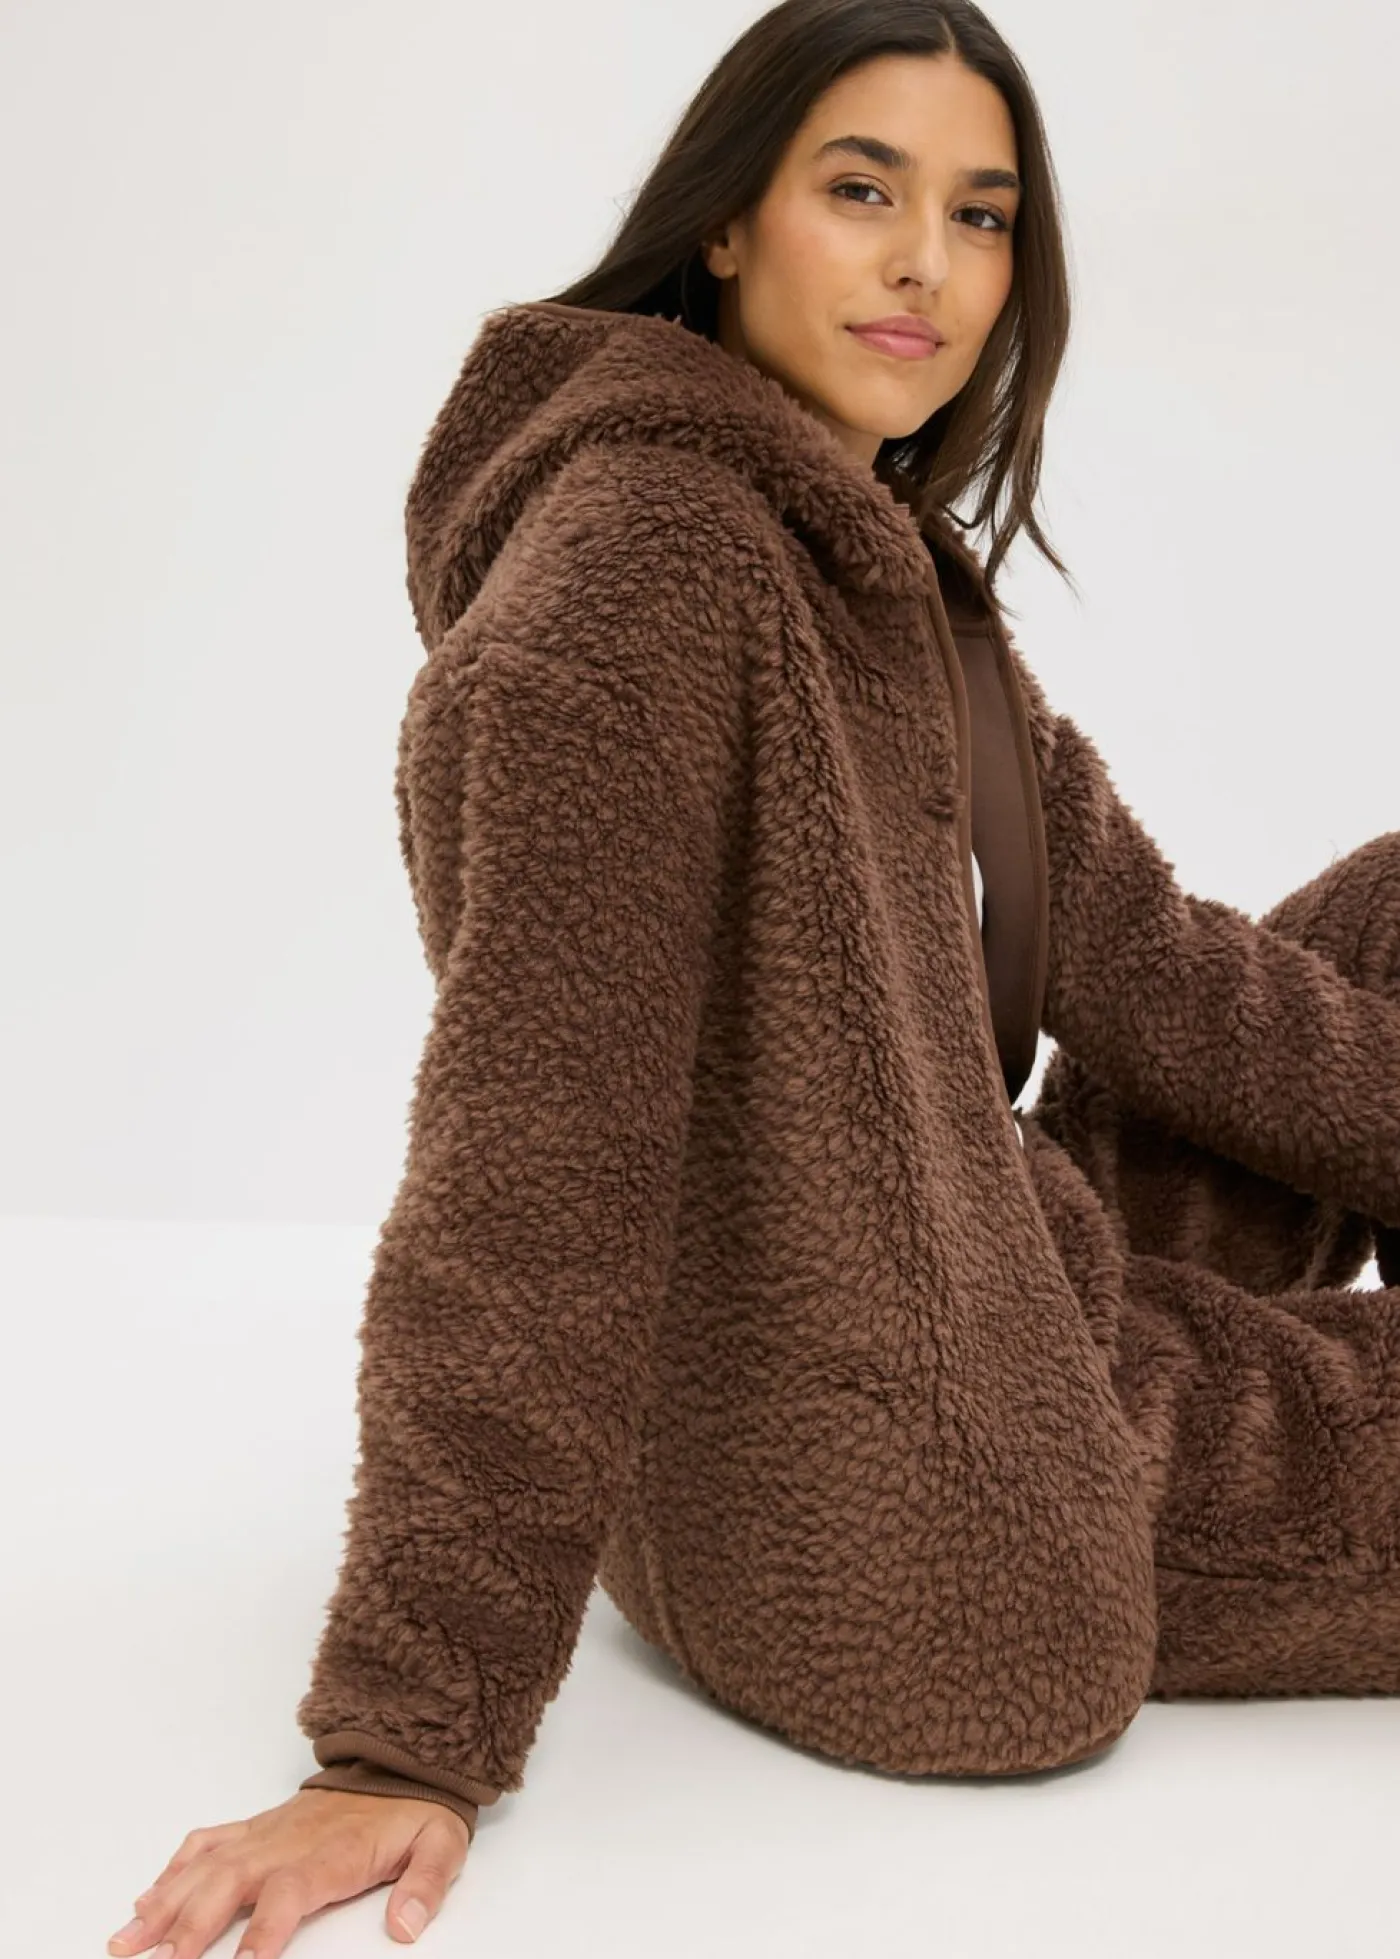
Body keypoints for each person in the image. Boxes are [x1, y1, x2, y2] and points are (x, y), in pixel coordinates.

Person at [109, 3, 1400, 1956]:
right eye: (861, 191)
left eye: (980, 215)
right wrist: (403, 1730)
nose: (926, 264)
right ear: (725, 221)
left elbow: (1155, 962)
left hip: (965, 1307)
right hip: (936, 1509)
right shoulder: (647, 568)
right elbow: (534, 1159)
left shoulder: (863, 565)